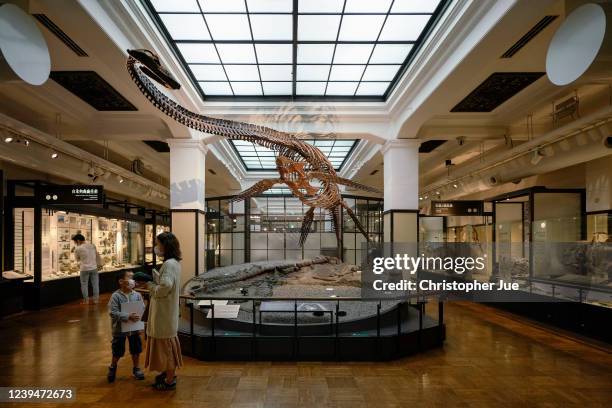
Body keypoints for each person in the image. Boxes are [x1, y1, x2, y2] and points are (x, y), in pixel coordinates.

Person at [139, 232, 183, 391]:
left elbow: (165, 286)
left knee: (166, 348)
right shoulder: (174, 263)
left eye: (158, 244)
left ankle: (169, 379)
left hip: (164, 313)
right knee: (167, 345)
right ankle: (167, 374)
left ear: (165, 245)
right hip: (167, 312)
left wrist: (150, 286)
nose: (156, 247)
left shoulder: (170, 264)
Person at [107, 270, 145, 383]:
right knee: (117, 350)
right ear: (121, 281)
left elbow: (142, 307)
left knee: (136, 349)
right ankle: (113, 367)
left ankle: (136, 368)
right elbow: (112, 312)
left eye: (133, 278)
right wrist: (127, 316)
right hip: (119, 330)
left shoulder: (137, 295)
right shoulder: (115, 296)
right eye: (129, 277)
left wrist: (140, 322)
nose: (133, 280)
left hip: (134, 329)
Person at [72, 233, 99, 304]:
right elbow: (96, 255)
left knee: (84, 285)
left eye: (75, 242)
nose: (75, 243)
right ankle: (96, 300)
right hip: (94, 268)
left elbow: (77, 259)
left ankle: (86, 301)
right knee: (95, 284)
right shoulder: (92, 245)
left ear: (78, 240)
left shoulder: (78, 248)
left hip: (84, 269)